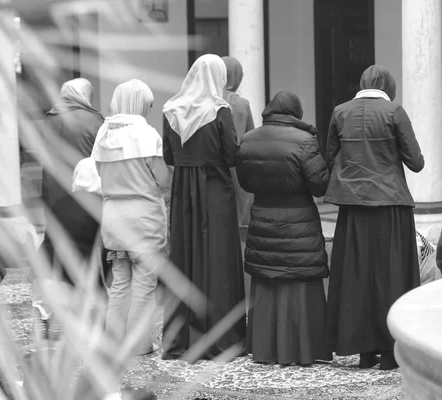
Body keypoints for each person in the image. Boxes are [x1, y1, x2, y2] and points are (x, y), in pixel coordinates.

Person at [324, 65, 424, 370]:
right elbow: (416, 162)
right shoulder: (394, 112)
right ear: (389, 85)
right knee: (390, 275)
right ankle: (389, 349)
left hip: (353, 208)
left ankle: (364, 350)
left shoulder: (341, 112)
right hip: (390, 205)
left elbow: (329, 154)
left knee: (357, 276)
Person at [236, 91, 331, 366]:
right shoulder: (304, 141)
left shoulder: (248, 139)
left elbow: (244, 182)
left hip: (263, 215)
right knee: (298, 276)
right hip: (299, 219)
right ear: (296, 112)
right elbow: (319, 185)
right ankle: (301, 349)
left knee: (267, 276)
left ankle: (264, 349)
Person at [161, 54, 245, 361]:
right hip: (214, 190)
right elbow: (232, 154)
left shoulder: (170, 110)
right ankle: (221, 339)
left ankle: (182, 338)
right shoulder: (219, 111)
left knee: (185, 256)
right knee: (218, 259)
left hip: (183, 191)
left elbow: (168, 155)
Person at [92, 79, 171, 356]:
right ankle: (139, 345)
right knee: (145, 286)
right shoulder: (146, 134)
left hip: (113, 216)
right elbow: (162, 179)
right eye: (148, 105)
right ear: (140, 103)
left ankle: (113, 342)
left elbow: (98, 174)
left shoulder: (104, 133)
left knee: (120, 283)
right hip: (144, 219)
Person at [35, 157, 108, 340]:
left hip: (43, 270)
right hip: (74, 276)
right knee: (92, 323)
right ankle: (70, 321)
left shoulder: (60, 201)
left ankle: (44, 312)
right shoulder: (100, 206)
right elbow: (104, 252)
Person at [42, 78, 104, 209]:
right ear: (85, 95)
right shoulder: (95, 120)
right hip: (85, 195)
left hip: (53, 190)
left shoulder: (49, 119)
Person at [222, 56, 255, 229]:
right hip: (238, 166)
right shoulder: (241, 104)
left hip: (215, 166)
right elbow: (250, 137)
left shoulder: (207, 101)